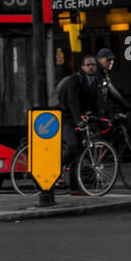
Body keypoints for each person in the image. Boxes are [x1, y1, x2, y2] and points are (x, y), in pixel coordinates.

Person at [56, 55, 101, 191]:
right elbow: (72, 101)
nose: (91, 67)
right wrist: (78, 121)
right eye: (88, 64)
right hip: (67, 118)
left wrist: (101, 117)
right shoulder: (74, 80)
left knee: (80, 152)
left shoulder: (95, 80)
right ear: (82, 67)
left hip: (79, 118)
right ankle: (56, 169)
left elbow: (96, 102)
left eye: (93, 64)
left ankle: (76, 188)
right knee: (72, 145)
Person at [94, 48, 131, 117]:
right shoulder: (94, 74)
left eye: (112, 60)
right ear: (100, 60)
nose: (111, 62)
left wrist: (126, 105)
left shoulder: (103, 74)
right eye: (108, 60)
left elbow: (112, 91)